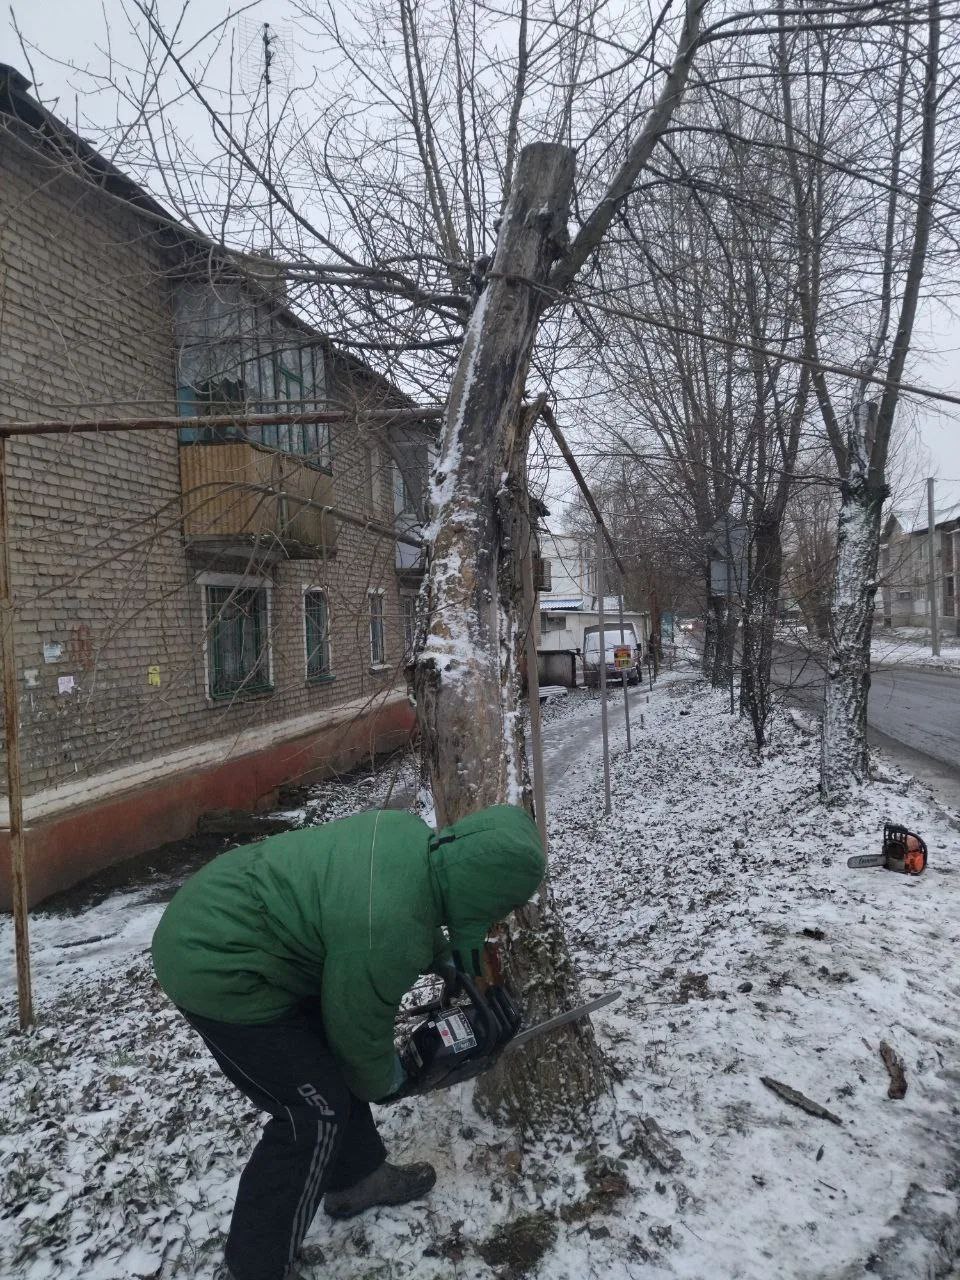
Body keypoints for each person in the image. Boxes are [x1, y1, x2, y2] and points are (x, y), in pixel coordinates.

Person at [151, 803, 545, 1280]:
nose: (498, 914)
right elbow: (356, 1033)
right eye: (498, 905)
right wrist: (392, 1080)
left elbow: (404, 908)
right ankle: (255, 1266)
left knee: (326, 1072)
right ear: (484, 892)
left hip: (231, 912)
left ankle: (355, 1179)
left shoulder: (408, 836)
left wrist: (447, 957)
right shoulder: (388, 932)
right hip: (216, 964)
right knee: (313, 1111)